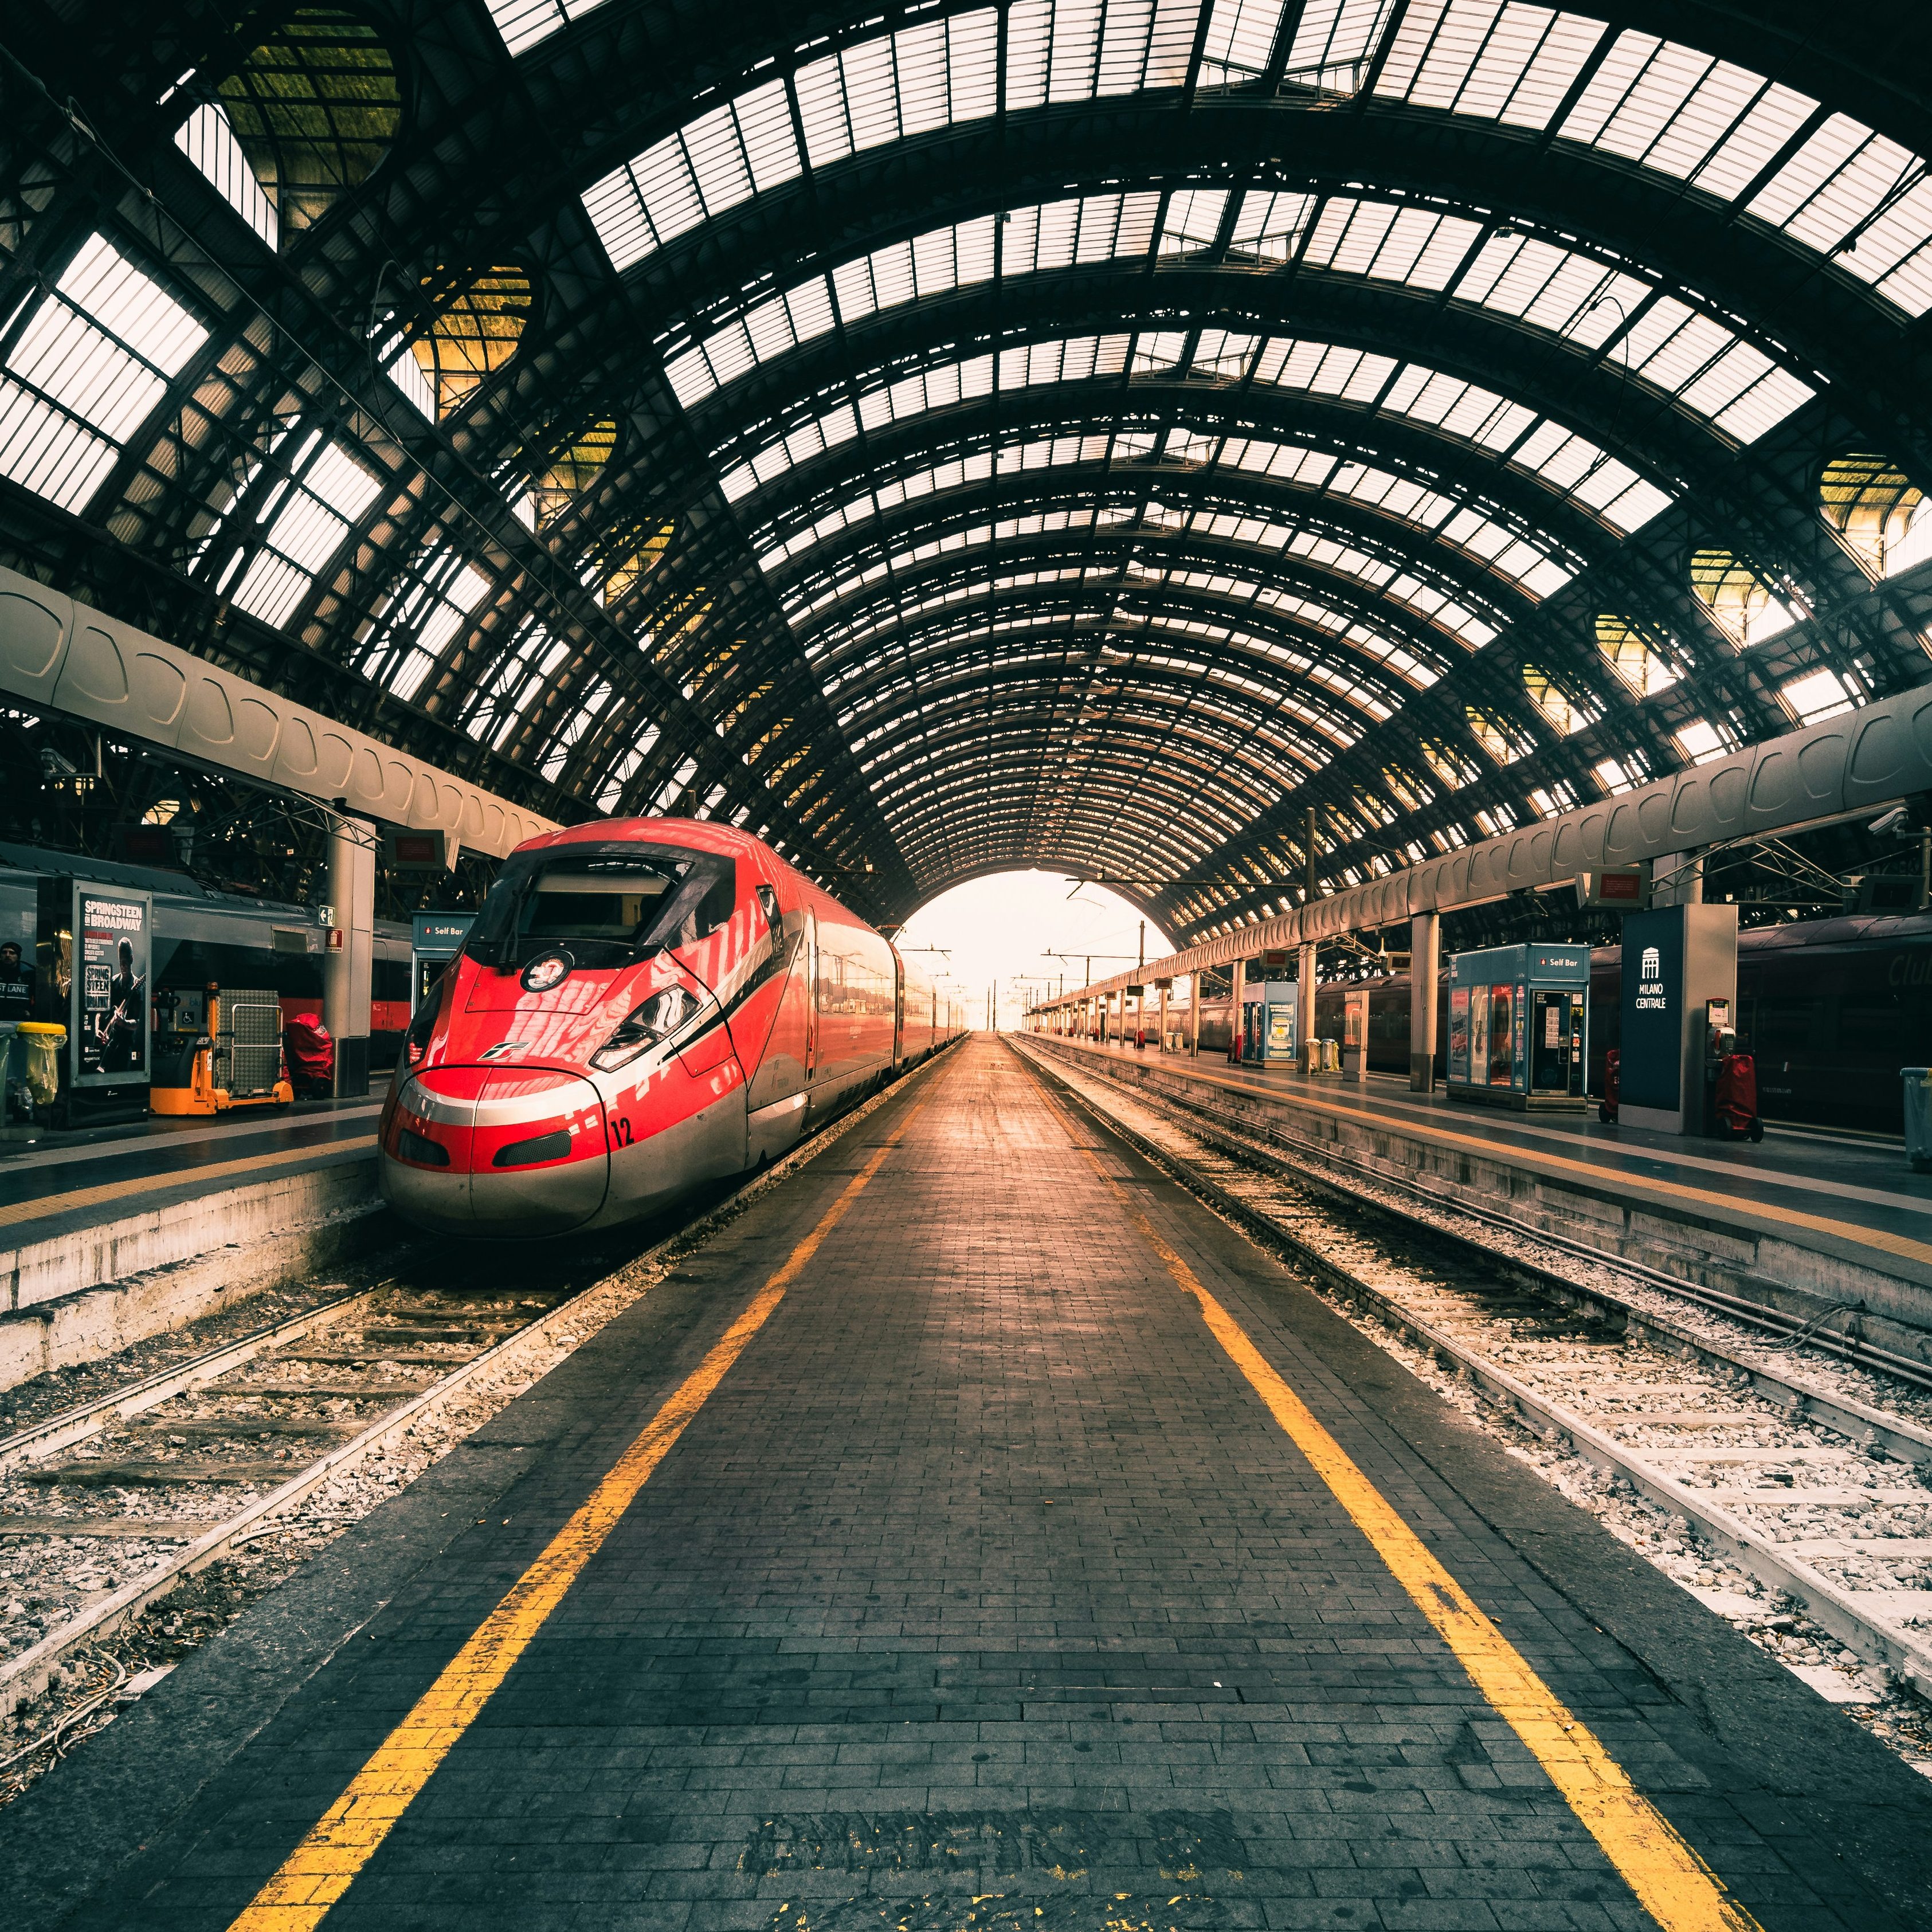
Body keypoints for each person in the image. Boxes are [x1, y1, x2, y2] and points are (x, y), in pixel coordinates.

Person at [98, 936, 145, 1072]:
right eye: (121, 963)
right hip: (107, 1041)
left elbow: (137, 1022)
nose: (123, 966)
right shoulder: (113, 981)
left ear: (131, 959)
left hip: (124, 1047)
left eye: (125, 962)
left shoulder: (137, 987)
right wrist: (98, 1030)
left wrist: (124, 1023)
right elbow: (101, 1011)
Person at [0, 940, 32, 1019]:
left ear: (18, 956)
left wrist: (30, 1012)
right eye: (4, 952)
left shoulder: (28, 973)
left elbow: (38, 996)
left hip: (20, 1020)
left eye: (12, 953)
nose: (7, 955)